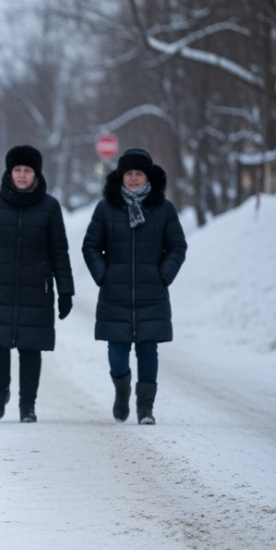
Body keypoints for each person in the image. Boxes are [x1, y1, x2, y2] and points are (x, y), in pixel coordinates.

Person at [0, 145, 75, 422]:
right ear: (9, 172)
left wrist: (66, 291)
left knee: (31, 348)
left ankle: (27, 406)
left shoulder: (50, 207)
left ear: (36, 174)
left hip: (37, 288)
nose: (22, 175)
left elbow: (59, 251)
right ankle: (1, 393)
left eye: (27, 170)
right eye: (17, 170)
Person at [82, 148, 187, 425]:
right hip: (114, 294)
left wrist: (161, 275)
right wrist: (104, 275)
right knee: (117, 353)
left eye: (138, 173)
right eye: (128, 173)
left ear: (147, 176)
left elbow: (177, 246)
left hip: (151, 294)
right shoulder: (106, 208)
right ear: (120, 176)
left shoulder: (163, 210)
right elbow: (91, 246)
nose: (133, 178)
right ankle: (121, 390)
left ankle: (145, 408)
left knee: (148, 351)